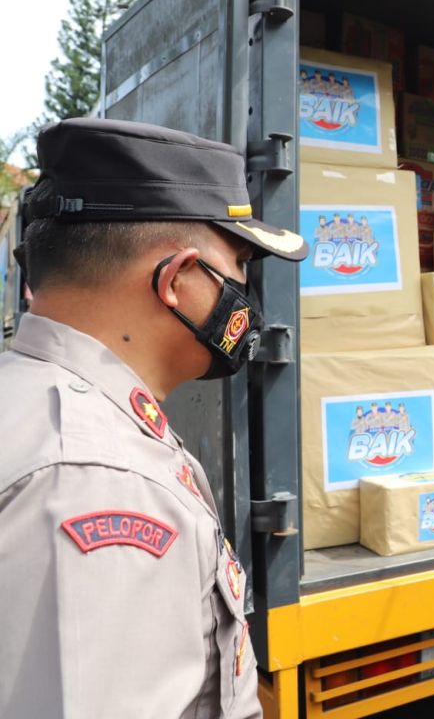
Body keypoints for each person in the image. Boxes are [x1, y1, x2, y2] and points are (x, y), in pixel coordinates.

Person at [0, 118, 308, 717]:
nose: (246, 291)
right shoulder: (98, 478)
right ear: (177, 280)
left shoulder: (35, 403)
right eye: (240, 263)